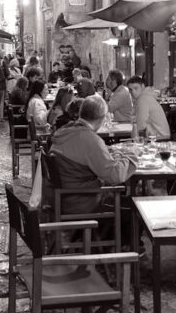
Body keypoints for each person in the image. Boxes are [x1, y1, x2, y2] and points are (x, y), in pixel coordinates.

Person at [48, 96, 138, 245]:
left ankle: (104, 242)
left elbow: (83, 156)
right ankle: (125, 254)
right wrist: (131, 154)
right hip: (83, 201)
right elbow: (114, 176)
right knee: (134, 207)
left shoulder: (66, 130)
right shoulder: (90, 139)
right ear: (102, 119)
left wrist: (108, 152)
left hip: (64, 197)